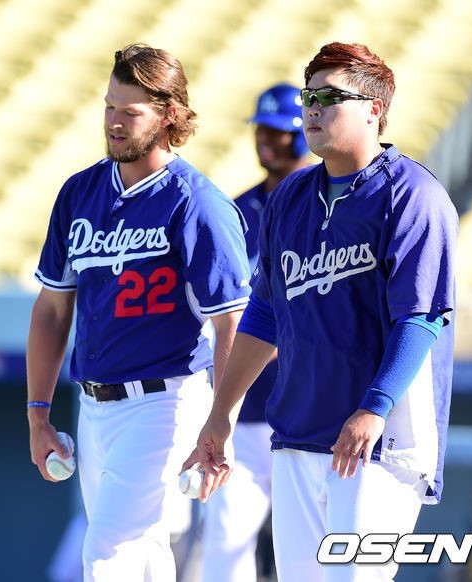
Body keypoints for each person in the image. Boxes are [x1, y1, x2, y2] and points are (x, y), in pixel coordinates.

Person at [184, 41, 458, 582]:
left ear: (374, 109)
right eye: (309, 96)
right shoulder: (290, 198)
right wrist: (221, 412)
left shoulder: (413, 195)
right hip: (296, 434)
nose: (312, 107)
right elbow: (264, 315)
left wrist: (374, 408)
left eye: (330, 97)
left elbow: (422, 318)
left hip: (380, 443)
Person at [26, 43, 251, 582]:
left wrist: (219, 422)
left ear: (169, 115)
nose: (114, 122)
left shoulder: (197, 202)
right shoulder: (80, 193)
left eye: (130, 112)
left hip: (164, 402)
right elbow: (52, 310)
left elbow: (232, 325)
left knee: (109, 554)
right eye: (109, 107)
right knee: (144, 557)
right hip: (93, 405)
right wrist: (38, 415)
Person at [200, 83, 309, 582]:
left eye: (278, 132)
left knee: (309, 552)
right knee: (225, 544)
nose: (266, 140)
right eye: (261, 129)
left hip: (307, 409)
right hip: (245, 411)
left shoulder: (329, 204)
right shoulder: (239, 208)